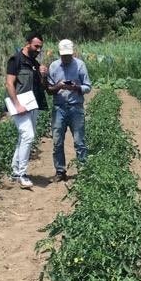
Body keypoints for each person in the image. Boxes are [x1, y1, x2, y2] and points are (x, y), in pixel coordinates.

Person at [5, 33, 49, 188]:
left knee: (23, 138)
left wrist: (43, 74)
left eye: (40, 47)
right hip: (19, 105)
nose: (38, 49)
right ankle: (22, 174)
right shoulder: (15, 60)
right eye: (36, 46)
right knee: (28, 136)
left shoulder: (35, 63)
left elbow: (42, 86)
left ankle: (15, 171)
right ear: (27, 43)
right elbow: (9, 84)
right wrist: (17, 104)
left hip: (32, 105)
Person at [47, 39, 91, 181]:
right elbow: (49, 90)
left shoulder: (80, 65)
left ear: (72, 52)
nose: (66, 58)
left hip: (75, 108)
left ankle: (83, 170)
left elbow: (88, 86)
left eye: (68, 55)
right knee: (57, 141)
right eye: (63, 55)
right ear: (59, 53)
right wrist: (59, 86)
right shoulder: (53, 66)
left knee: (79, 141)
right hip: (59, 108)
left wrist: (76, 87)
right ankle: (60, 171)